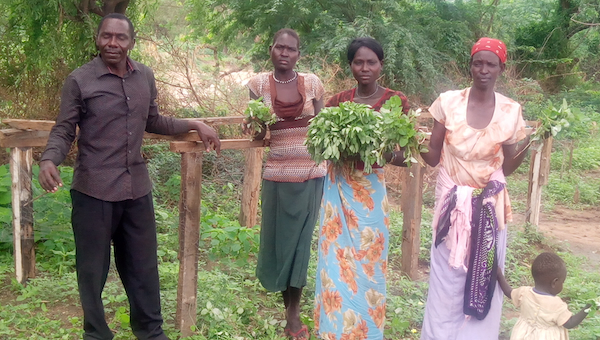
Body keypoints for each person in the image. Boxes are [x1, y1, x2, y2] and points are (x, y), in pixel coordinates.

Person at [38, 13, 220, 340]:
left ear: (131, 43)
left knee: (143, 270)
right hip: (93, 191)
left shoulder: (144, 77)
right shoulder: (80, 81)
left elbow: (154, 121)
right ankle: (96, 334)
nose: (113, 43)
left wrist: (195, 123)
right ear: (97, 39)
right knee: (92, 272)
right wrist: (49, 159)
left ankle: (151, 333)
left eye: (120, 38)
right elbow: (64, 129)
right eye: (106, 36)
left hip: (136, 190)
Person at [419, 37, 531, 340]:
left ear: (501, 69)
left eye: (490, 64)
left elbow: (507, 166)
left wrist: (529, 146)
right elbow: (432, 157)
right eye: (477, 63)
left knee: (483, 275)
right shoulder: (448, 102)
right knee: (447, 278)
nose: (483, 69)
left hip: (489, 207)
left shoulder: (510, 111)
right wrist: (406, 139)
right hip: (451, 206)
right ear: (470, 66)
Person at [313, 37, 409, 340]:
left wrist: (384, 155)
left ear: (381, 65)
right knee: (334, 265)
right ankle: (333, 332)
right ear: (350, 65)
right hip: (337, 192)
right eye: (358, 62)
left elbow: (407, 156)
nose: (364, 68)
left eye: (371, 62)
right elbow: (320, 145)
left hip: (370, 197)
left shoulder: (396, 102)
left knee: (369, 266)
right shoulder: (337, 103)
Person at [245, 28, 326, 340]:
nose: (284, 53)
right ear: (270, 49)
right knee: (281, 244)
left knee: (300, 245)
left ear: (298, 55)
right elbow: (257, 134)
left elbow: (324, 127)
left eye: (291, 49)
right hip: (277, 175)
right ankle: (285, 301)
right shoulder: (258, 85)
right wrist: (254, 124)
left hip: (311, 174)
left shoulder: (313, 83)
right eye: (279, 47)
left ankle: (293, 314)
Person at [497, 252, 592, 339]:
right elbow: (570, 323)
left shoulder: (524, 293)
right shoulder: (557, 305)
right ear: (554, 282)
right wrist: (589, 307)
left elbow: (508, 292)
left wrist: (499, 274)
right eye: (562, 282)